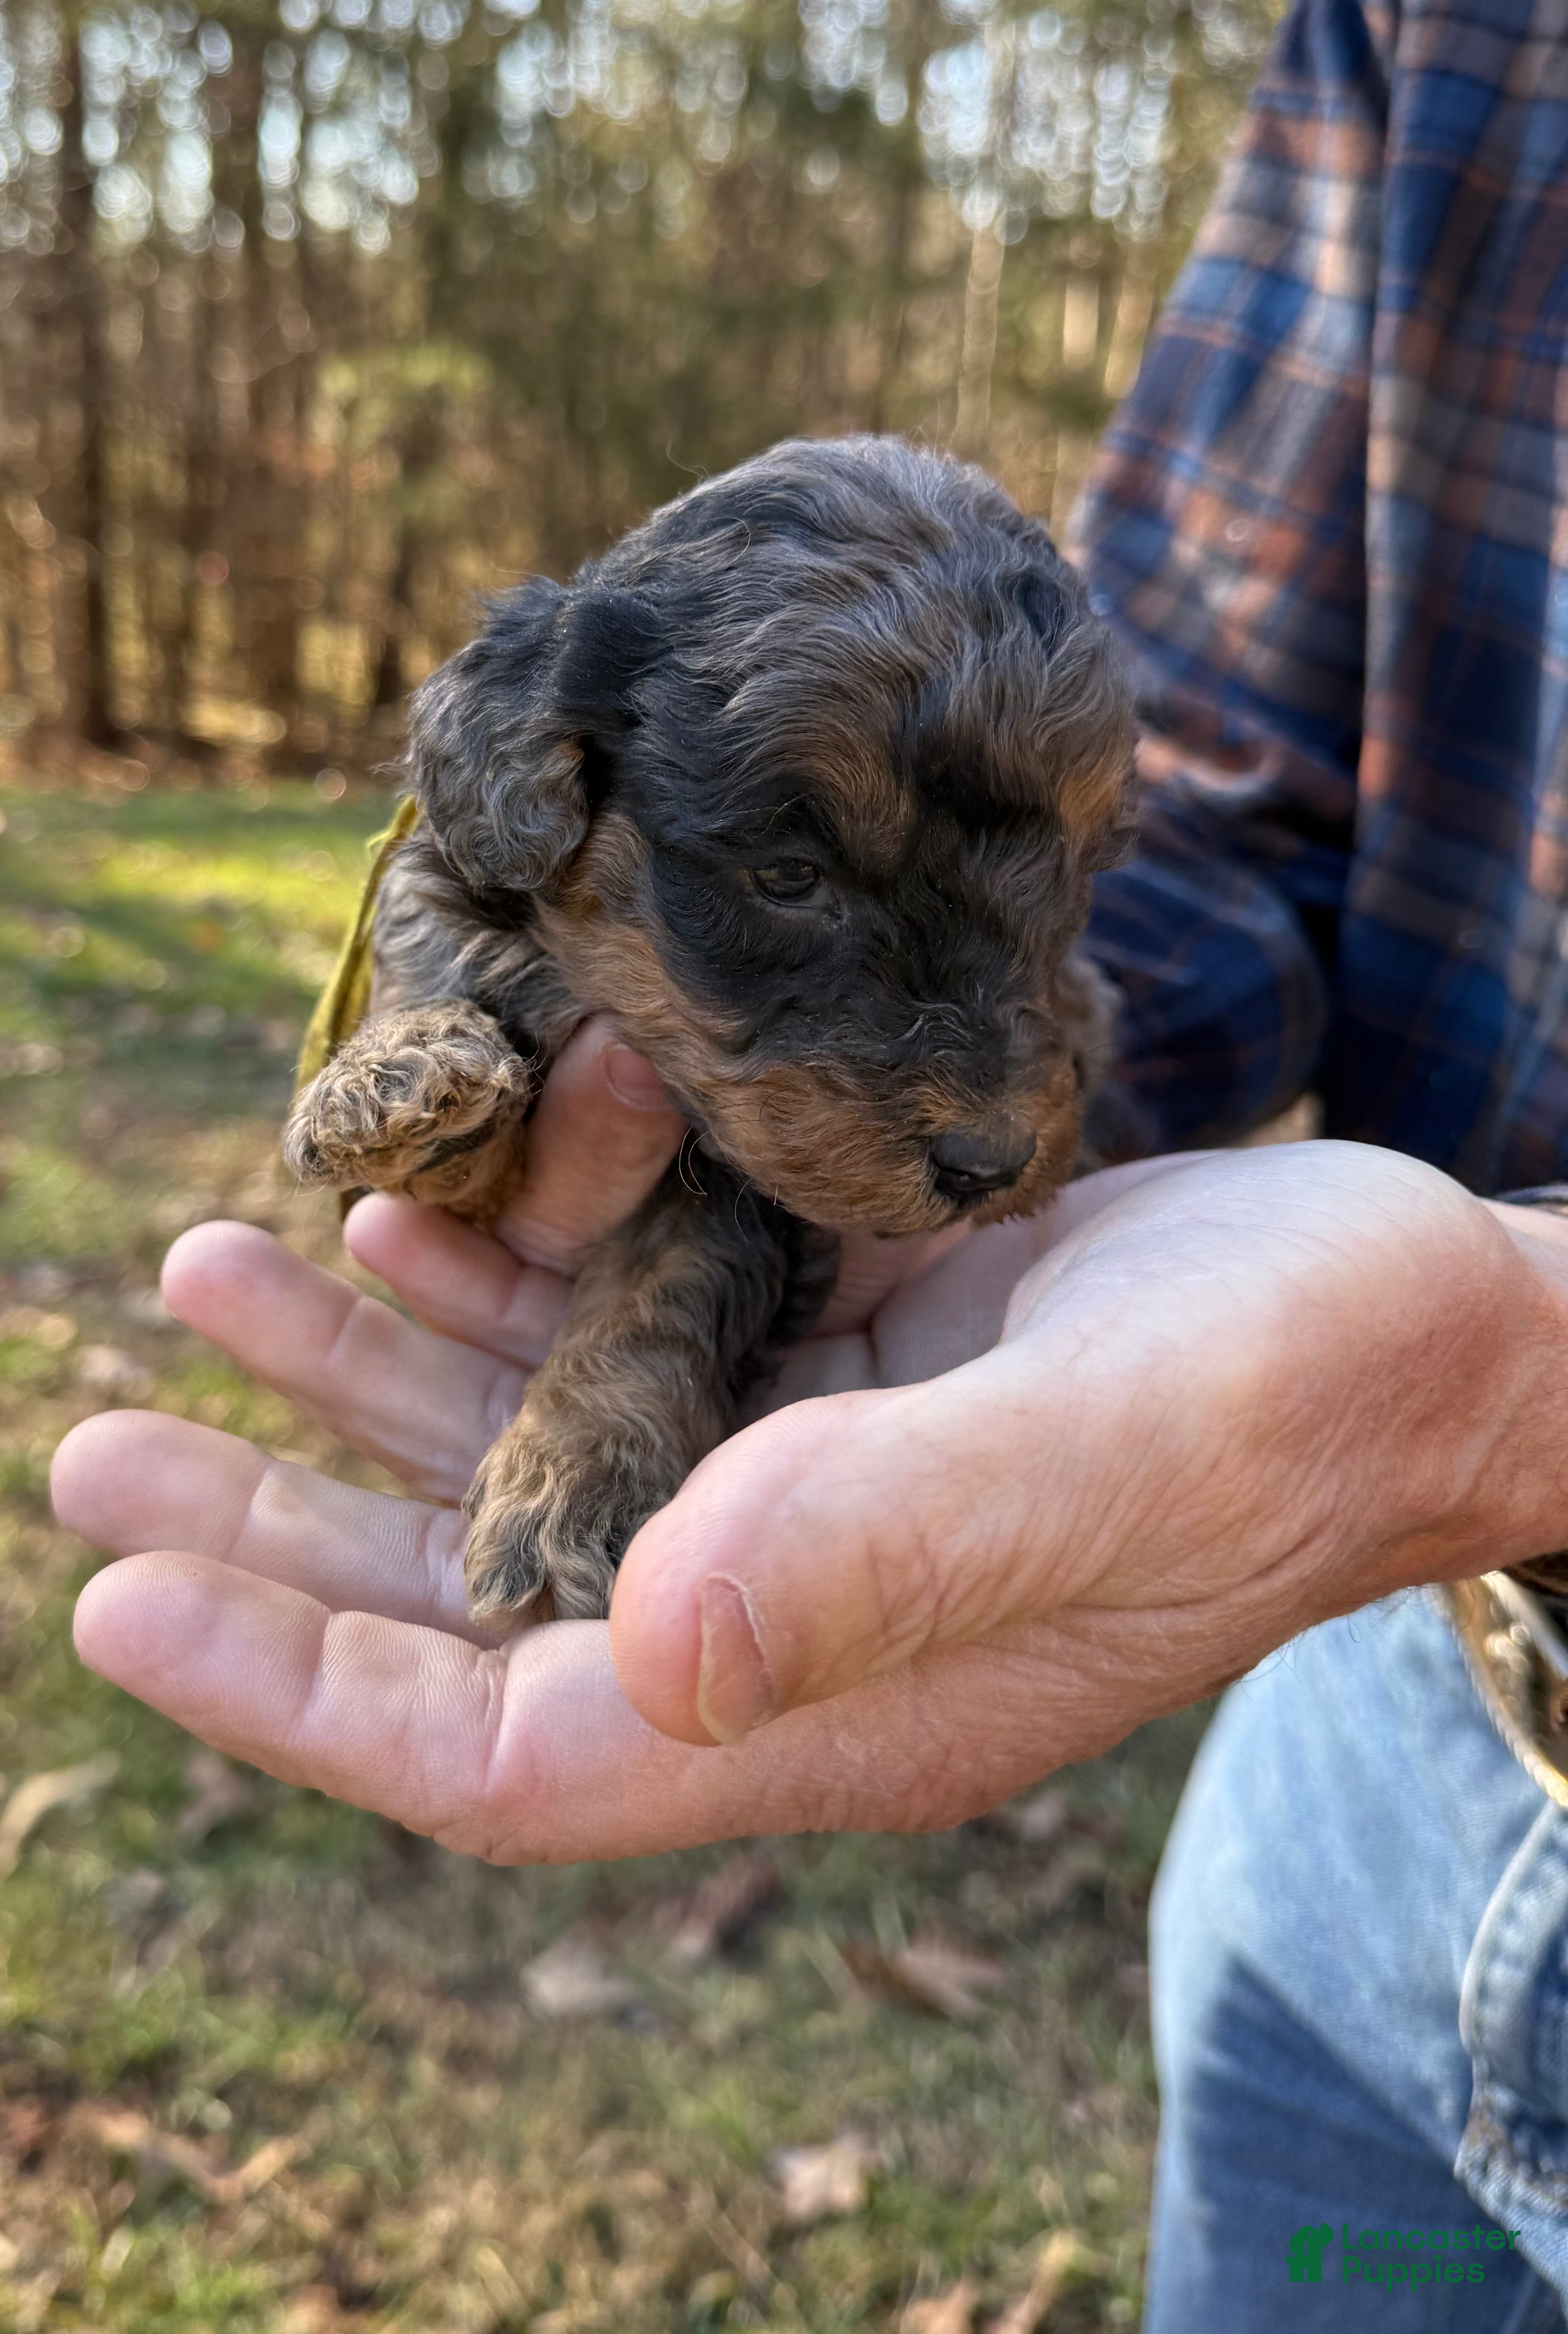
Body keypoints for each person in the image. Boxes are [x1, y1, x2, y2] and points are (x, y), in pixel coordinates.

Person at [48, 0, 1568, 2319]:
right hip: (1377, 1768)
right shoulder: (1447, 28)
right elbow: (1234, 802)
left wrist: (1510, 1366)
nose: (981, 1095)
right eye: (802, 881)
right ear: (544, 752)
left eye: (1028, 918)